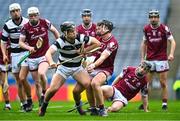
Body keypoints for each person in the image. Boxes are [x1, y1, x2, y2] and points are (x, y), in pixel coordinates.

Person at [38, 21, 101, 116]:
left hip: (77, 67)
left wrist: (84, 51)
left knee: (87, 84)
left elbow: (97, 43)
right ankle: (44, 106)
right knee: (53, 89)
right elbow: (48, 53)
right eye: (71, 31)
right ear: (65, 33)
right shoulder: (60, 41)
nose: (74, 32)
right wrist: (51, 62)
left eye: (74, 30)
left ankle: (92, 109)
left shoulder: (80, 37)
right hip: (63, 68)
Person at [73, 20, 118, 116]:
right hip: (93, 67)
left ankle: (102, 109)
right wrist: (84, 54)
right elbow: (91, 52)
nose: (97, 28)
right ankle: (93, 109)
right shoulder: (98, 39)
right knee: (76, 90)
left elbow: (102, 57)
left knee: (94, 83)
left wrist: (93, 65)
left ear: (106, 29)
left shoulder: (112, 43)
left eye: (100, 27)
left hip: (105, 69)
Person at [19, 6, 60, 106]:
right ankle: (41, 105)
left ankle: (44, 92)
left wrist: (60, 42)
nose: (33, 17)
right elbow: (21, 42)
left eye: (35, 15)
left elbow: (55, 31)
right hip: (32, 58)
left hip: (44, 55)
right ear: (28, 16)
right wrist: (29, 48)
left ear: (38, 15)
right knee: (37, 83)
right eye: (31, 16)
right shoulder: (25, 27)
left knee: (42, 74)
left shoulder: (44, 22)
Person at [140, 9, 176, 110]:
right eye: (151, 17)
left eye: (155, 17)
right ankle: (145, 104)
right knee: (146, 84)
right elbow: (144, 43)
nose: (153, 19)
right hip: (150, 59)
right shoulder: (146, 29)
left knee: (163, 83)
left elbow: (172, 42)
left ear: (158, 18)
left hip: (161, 59)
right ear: (149, 18)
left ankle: (164, 104)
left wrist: (171, 54)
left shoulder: (164, 28)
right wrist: (142, 58)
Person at [1, 3, 32, 111]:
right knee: (18, 81)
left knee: (23, 78)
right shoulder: (7, 25)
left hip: (26, 53)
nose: (15, 13)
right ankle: (24, 104)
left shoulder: (27, 22)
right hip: (14, 55)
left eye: (17, 10)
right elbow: (3, 42)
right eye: (13, 11)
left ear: (20, 11)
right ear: (10, 13)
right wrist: (5, 54)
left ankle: (29, 100)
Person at [0, 31, 11, 110]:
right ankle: (7, 104)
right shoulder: (2, 35)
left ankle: (23, 103)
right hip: (2, 62)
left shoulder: (17, 35)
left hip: (13, 60)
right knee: (3, 83)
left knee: (20, 80)